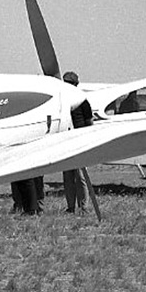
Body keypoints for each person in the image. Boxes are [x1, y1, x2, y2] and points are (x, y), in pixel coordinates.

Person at [62, 71, 93, 213]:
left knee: (81, 176)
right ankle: (70, 207)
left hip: (80, 141)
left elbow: (89, 122)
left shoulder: (83, 101)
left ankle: (84, 206)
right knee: (68, 176)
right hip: (65, 141)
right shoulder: (61, 101)